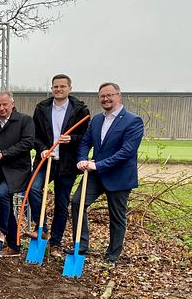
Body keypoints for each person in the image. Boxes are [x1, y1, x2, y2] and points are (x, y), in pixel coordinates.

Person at [74, 82, 143, 267]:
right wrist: (82, 159)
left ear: (119, 96)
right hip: (95, 175)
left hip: (119, 176)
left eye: (110, 95)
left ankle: (112, 255)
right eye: (102, 96)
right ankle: (81, 246)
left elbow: (126, 151)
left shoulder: (133, 121)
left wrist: (98, 165)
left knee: (116, 217)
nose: (106, 99)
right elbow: (84, 142)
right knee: (77, 203)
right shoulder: (96, 119)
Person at [31, 75, 89, 258]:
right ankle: (43, 228)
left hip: (67, 164)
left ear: (70, 88)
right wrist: (42, 149)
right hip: (45, 160)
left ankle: (56, 242)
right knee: (32, 189)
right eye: (56, 86)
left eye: (62, 86)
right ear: (52, 88)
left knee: (61, 203)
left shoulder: (80, 110)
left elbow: (86, 138)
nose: (59, 89)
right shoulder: (42, 108)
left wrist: (71, 139)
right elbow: (35, 135)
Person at [0, 90, 35, 257]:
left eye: (5, 104)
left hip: (17, 169)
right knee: (6, 205)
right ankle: (14, 245)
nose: (1, 108)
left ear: (12, 104)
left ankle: (0, 230)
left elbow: (27, 143)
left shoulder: (25, 120)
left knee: (2, 193)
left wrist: (4, 153)